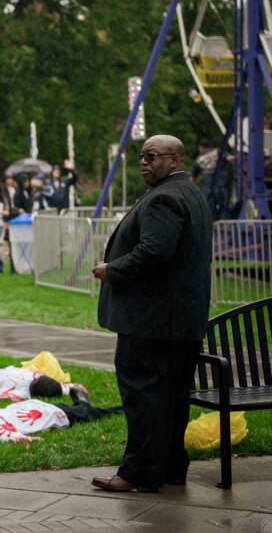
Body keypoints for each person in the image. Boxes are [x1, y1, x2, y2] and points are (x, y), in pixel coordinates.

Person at [91, 135, 214, 493]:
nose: (143, 162)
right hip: (179, 322)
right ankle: (171, 468)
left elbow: (153, 252)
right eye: (141, 157)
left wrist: (111, 270)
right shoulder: (190, 192)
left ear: (176, 158)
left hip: (152, 323)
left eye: (152, 156)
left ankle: (139, 472)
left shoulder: (165, 198)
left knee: (144, 398)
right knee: (172, 400)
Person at [0, 391, 122, 444]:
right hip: (39, 408)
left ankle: (85, 403)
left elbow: (11, 436)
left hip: (53, 415)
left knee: (97, 414)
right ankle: (82, 402)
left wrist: (33, 439)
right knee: (86, 412)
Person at [189, 139, 233, 220]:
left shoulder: (198, 159)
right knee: (224, 206)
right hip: (222, 183)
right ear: (209, 146)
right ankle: (225, 228)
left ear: (201, 148)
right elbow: (230, 159)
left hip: (208, 186)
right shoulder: (218, 151)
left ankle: (211, 229)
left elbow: (192, 178)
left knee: (209, 209)